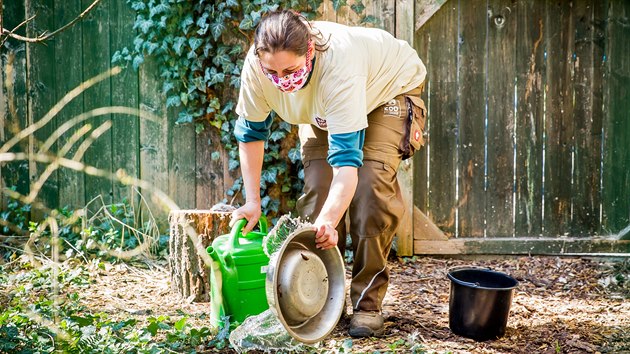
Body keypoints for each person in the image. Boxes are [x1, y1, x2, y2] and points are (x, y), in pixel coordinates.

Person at [230, 9, 427, 338]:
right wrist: (252, 202)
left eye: (290, 70)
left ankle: (367, 305)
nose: (281, 80)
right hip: (327, 104)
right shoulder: (256, 67)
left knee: (370, 185)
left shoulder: (338, 64)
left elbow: (348, 163)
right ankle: (317, 300)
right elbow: (250, 135)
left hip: (388, 88)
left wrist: (330, 219)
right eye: (272, 71)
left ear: (309, 52)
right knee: (319, 192)